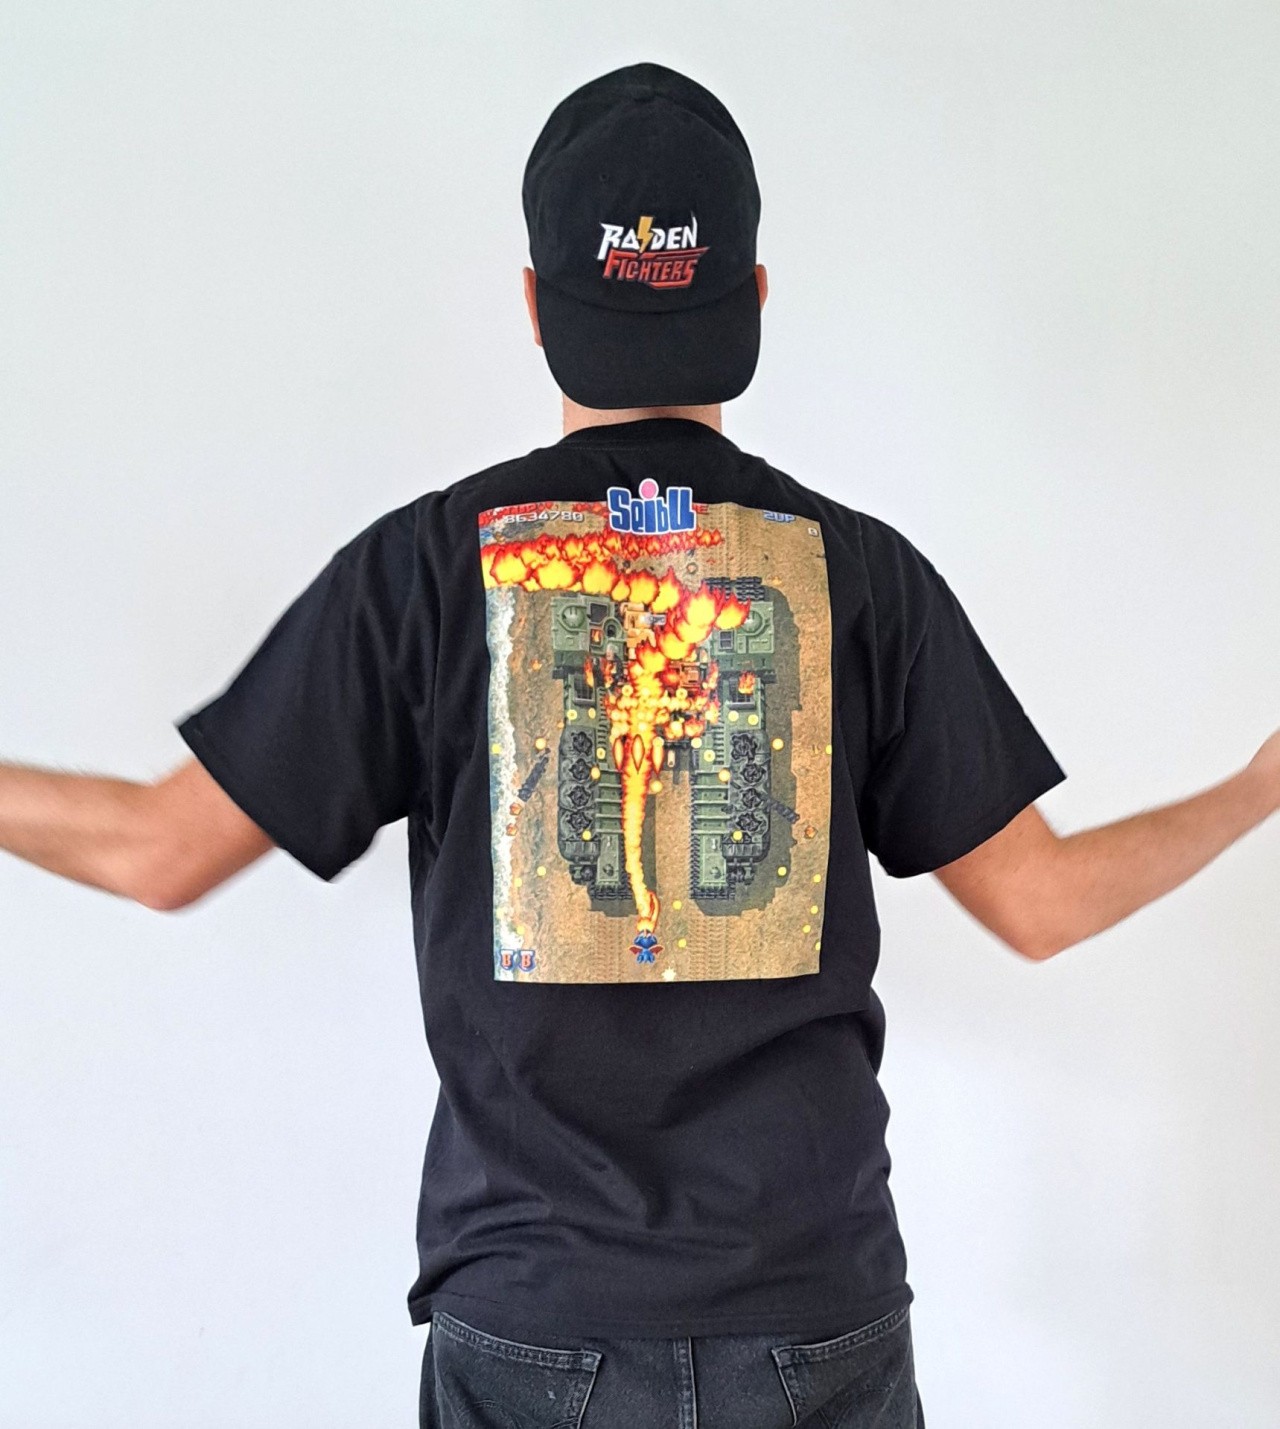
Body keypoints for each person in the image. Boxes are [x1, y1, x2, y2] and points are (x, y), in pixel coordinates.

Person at [2, 60, 1276, 1429]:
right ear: (756, 299)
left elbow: (157, 851)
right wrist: (1260, 785)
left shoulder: (427, 570)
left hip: (538, 1324)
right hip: (812, 1317)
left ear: (538, 305)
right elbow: (1043, 900)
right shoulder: (859, 575)